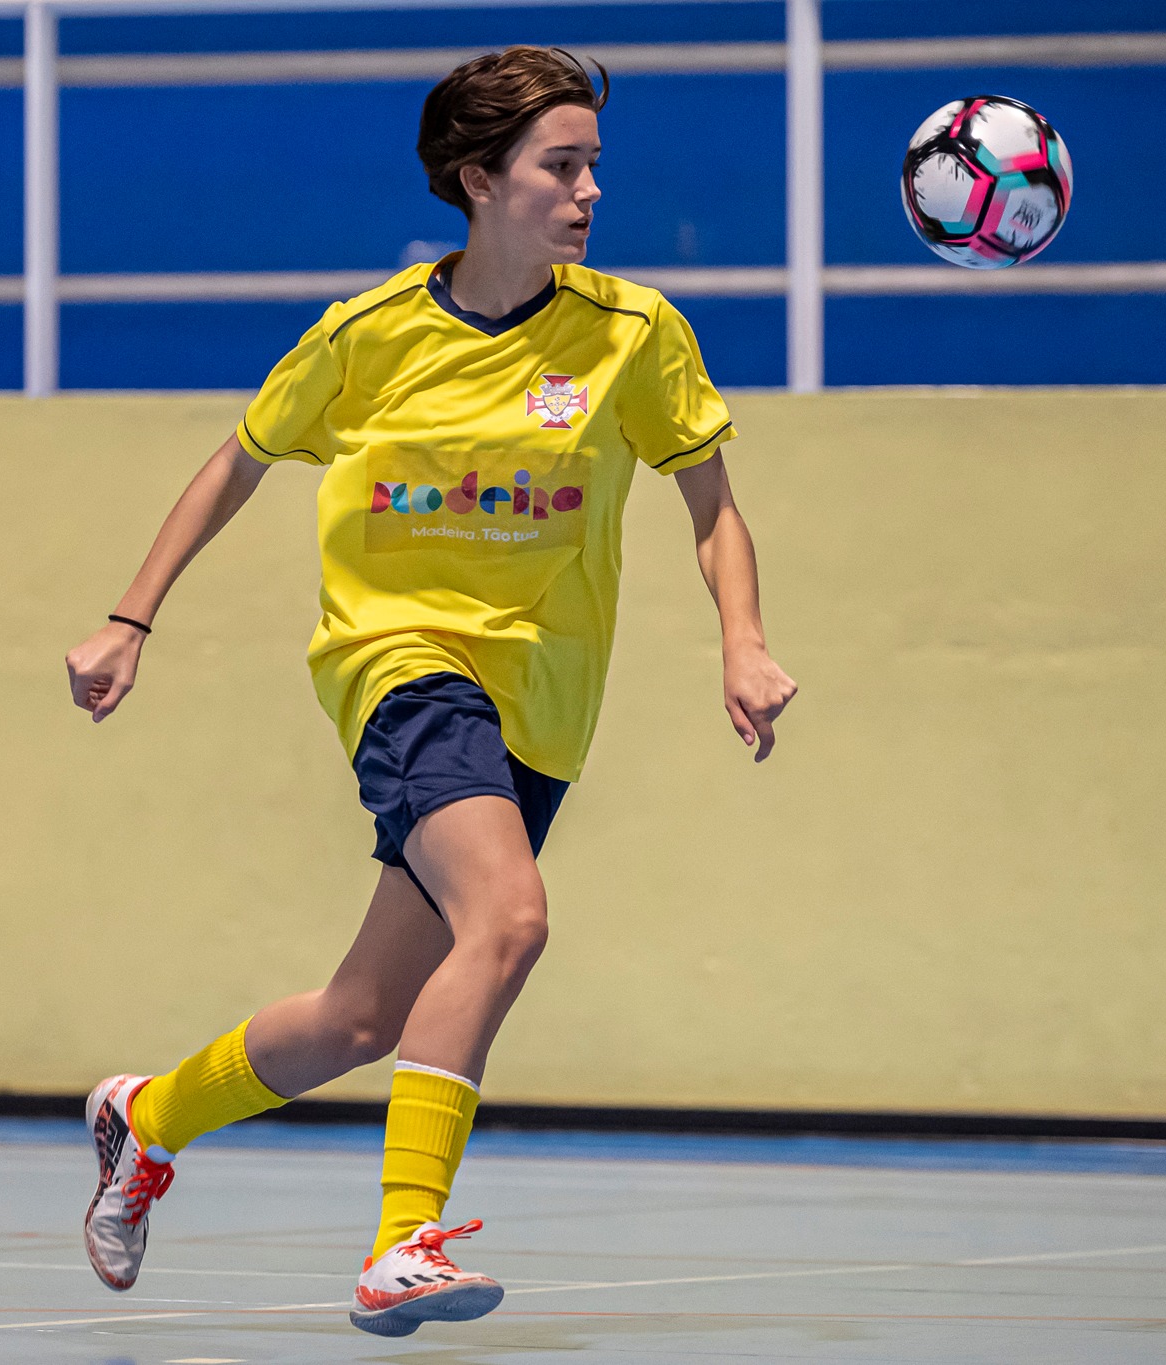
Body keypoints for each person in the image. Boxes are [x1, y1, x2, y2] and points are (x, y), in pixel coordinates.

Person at [63, 45, 796, 1338]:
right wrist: (132, 617)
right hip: (401, 665)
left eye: (594, 168)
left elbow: (710, 505)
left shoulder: (633, 332)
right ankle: (404, 1240)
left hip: (543, 704)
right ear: (478, 177)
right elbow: (236, 464)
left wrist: (741, 641)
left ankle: (146, 1116)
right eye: (560, 167)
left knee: (358, 1017)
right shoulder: (368, 335)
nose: (588, 193)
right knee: (508, 920)